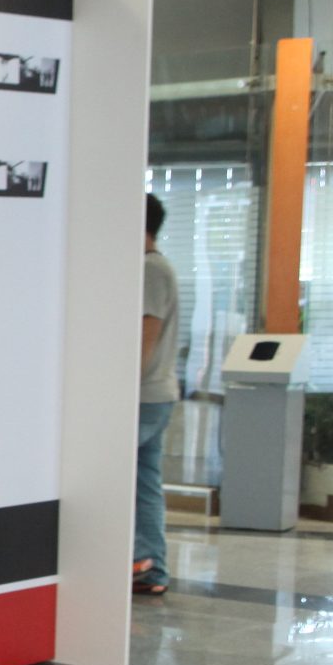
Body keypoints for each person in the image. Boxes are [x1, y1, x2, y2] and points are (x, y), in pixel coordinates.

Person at [137, 193, 179, 597]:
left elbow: (145, 338)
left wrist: (119, 392)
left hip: (143, 397)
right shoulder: (159, 267)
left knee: (112, 477)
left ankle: (141, 562)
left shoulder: (150, 270)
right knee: (144, 482)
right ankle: (152, 568)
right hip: (157, 394)